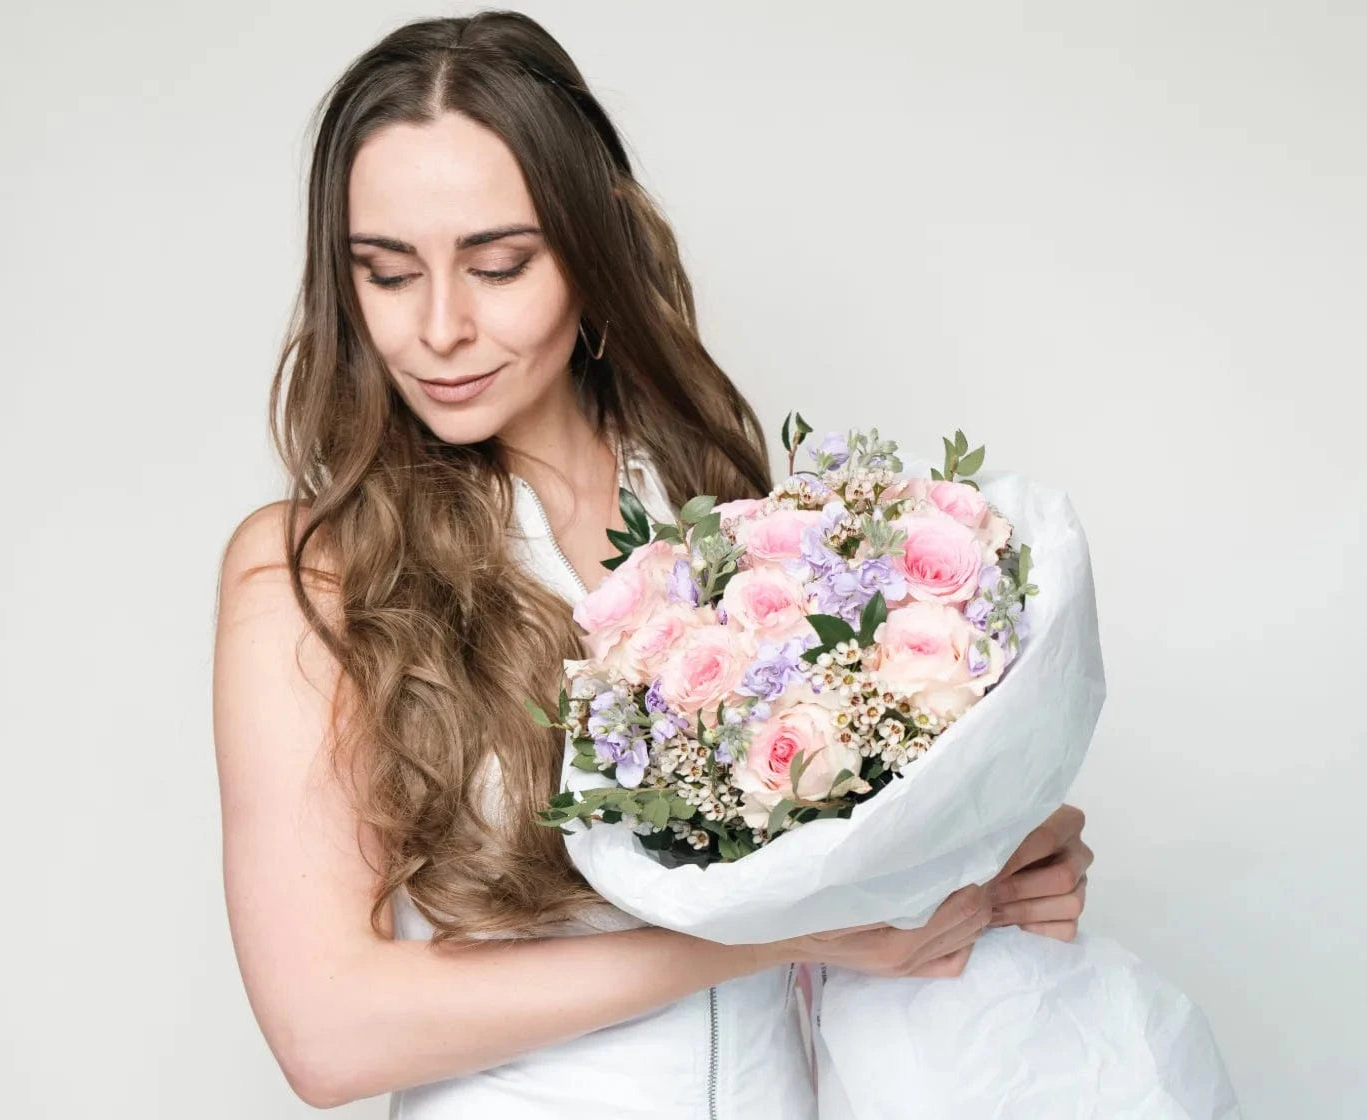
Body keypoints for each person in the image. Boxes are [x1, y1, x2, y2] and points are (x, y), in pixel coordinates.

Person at [211, 10, 1094, 1117]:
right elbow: (326, 1029)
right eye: (386, 274)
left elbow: (824, 874)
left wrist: (980, 860)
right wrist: (757, 942)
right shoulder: (313, 570)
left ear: (591, 253)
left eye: (496, 265)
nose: (437, 328)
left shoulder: (726, 518)